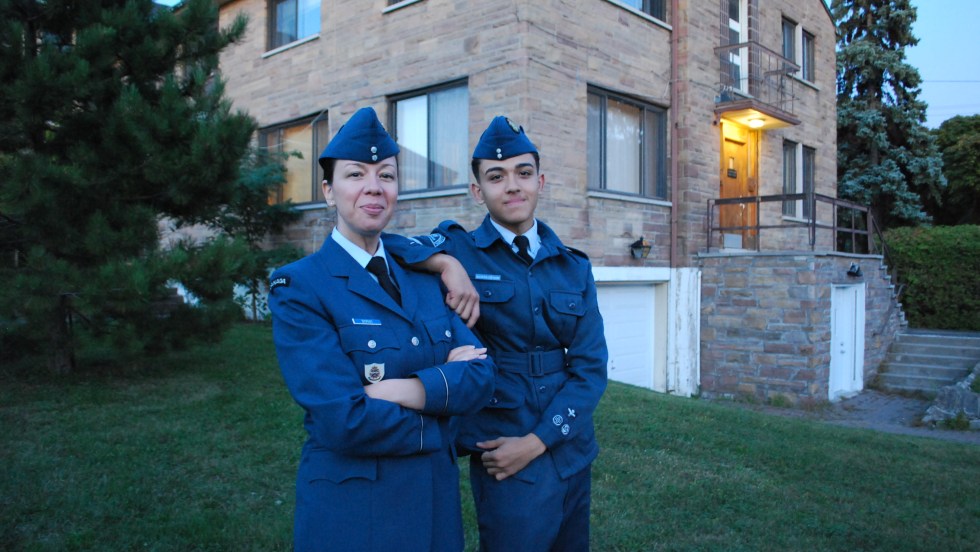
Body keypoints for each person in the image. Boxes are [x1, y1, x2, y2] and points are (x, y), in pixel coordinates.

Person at [268, 106, 496, 552]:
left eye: (386, 176)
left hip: (434, 508)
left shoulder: (426, 278)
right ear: (329, 191)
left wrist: (402, 389)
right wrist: (443, 418)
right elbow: (344, 419)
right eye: (356, 174)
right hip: (356, 513)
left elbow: (482, 374)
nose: (374, 187)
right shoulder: (300, 285)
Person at [385, 116, 609, 551]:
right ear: (477, 191)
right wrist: (446, 263)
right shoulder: (462, 248)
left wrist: (540, 440)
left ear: (540, 181)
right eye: (496, 176)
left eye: (523, 173)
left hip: (570, 443)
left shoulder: (572, 265)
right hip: (505, 445)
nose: (512, 186)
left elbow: (591, 367)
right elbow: (388, 245)